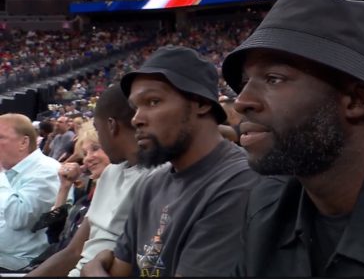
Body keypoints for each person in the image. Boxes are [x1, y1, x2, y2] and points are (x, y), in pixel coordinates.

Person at [221, 0, 364, 276]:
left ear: (356, 99)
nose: (242, 101)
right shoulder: (266, 207)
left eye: (273, 78)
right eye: (245, 82)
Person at [81, 46, 269, 277]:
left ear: (201, 103)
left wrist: (93, 272)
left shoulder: (238, 183)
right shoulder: (152, 183)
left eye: (153, 102)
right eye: (135, 107)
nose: (137, 119)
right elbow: (121, 269)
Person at [26, 85, 151, 277]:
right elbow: (73, 250)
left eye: (97, 138)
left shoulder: (156, 180)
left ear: (111, 126)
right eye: (85, 152)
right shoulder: (111, 173)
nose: (87, 158)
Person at [0, 113, 60, 271]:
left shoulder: (47, 171)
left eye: (0, 137)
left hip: (18, 264)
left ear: (23, 142)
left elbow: (18, 218)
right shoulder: (10, 171)